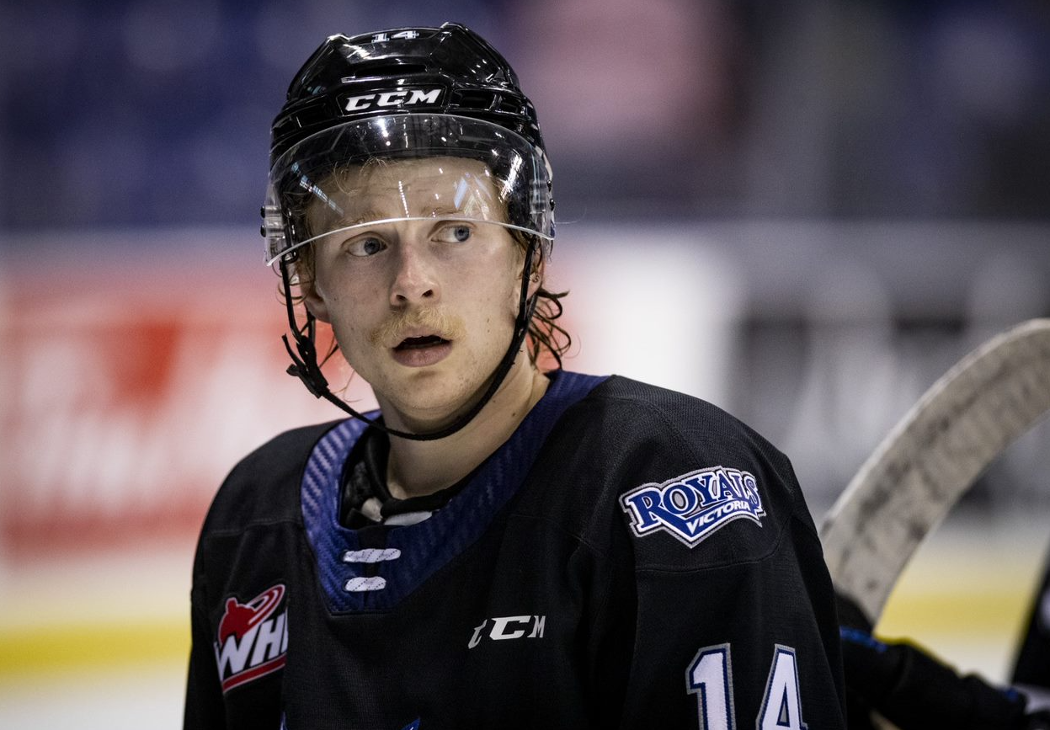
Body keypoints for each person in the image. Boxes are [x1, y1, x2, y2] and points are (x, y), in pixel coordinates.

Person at [184, 22, 846, 729]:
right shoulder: (255, 522)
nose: (412, 285)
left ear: (528, 253)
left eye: (456, 232)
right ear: (309, 281)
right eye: (367, 244)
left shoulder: (668, 487)